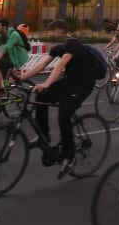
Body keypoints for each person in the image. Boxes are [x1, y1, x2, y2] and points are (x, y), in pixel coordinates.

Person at [13, 19, 93, 178]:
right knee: (41, 95)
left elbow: (61, 64)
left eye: (52, 32)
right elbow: (41, 65)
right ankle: (44, 134)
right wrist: (22, 78)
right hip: (69, 82)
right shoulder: (59, 47)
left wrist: (47, 83)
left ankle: (69, 157)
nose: (49, 37)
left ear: (60, 31)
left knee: (63, 116)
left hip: (82, 85)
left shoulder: (73, 43)